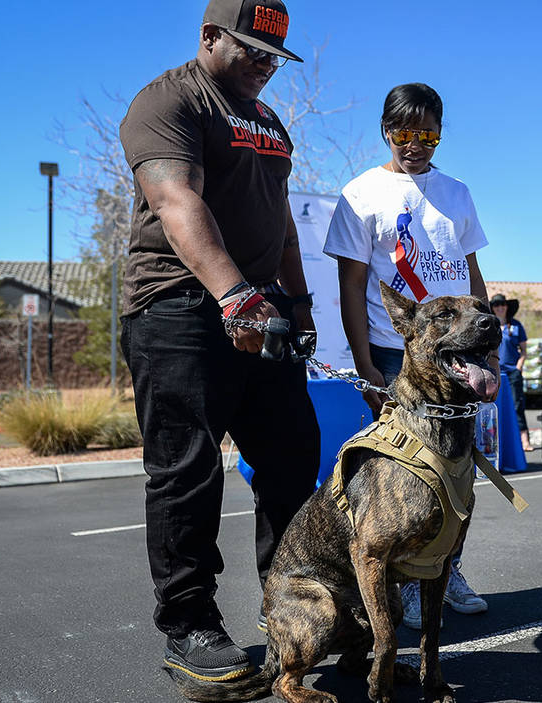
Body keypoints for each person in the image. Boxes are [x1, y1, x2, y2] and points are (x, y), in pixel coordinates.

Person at [118, 0, 320, 686]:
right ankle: (189, 627)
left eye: (275, 58)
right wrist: (236, 292)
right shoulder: (169, 100)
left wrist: (296, 301)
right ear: (209, 37)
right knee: (188, 470)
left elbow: (282, 218)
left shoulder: (269, 121)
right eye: (251, 50)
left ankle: (290, 600)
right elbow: (179, 202)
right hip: (177, 305)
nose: (265, 67)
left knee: (294, 457)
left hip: (260, 308)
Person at [323, 82, 489, 629]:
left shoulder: (457, 193)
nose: (415, 144)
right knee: (403, 480)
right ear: (385, 132)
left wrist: (485, 338)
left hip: (459, 352)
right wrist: (364, 361)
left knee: (458, 469)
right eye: (403, 133)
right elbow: (351, 285)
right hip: (398, 354)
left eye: (428, 134)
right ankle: (406, 585)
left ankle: (446, 569)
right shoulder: (361, 194)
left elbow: (471, 272)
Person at [490, 293, 532, 452]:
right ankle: (498, 442)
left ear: (507, 307)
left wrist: (519, 368)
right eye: (496, 305)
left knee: (517, 405)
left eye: (503, 304)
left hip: (512, 372)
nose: (500, 308)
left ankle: (524, 440)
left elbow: (524, 351)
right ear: (492, 308)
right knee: (494, 408)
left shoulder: (516, 326)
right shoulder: (490, 326)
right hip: (494, 373)